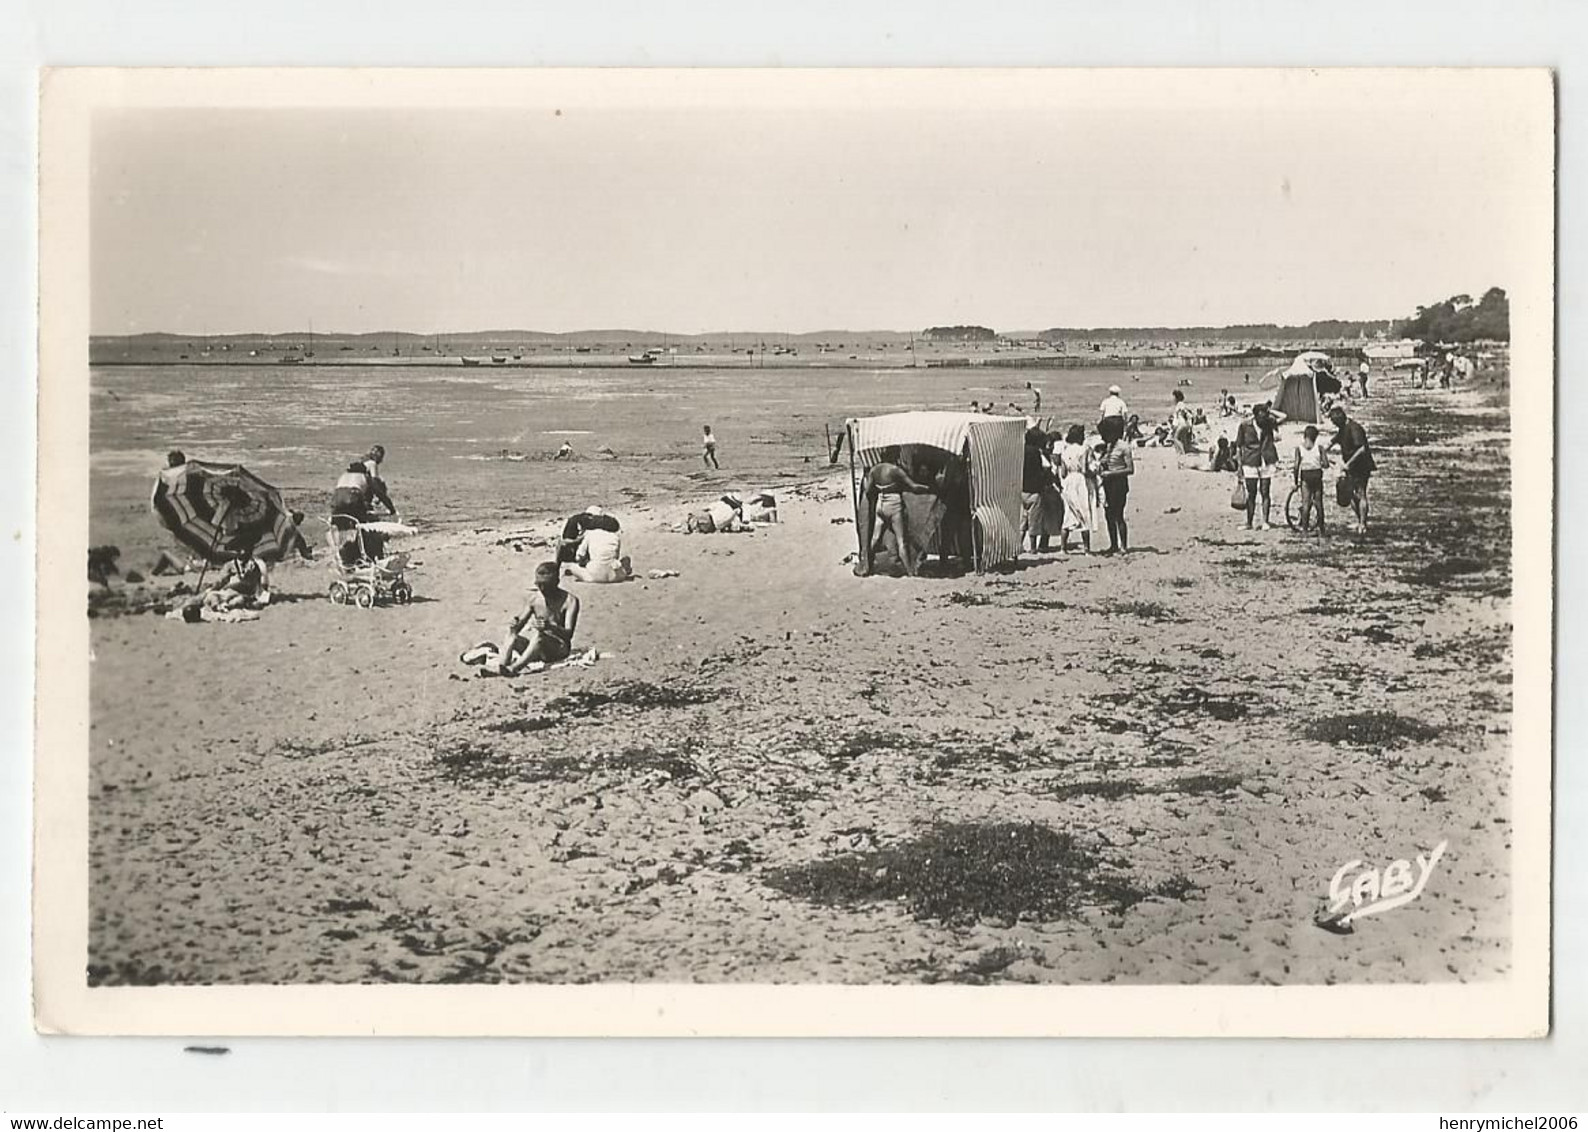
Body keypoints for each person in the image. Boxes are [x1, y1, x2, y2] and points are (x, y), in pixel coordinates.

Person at [485, 561, 581, 675]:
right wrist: (514, 625)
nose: (542, 588)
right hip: (538, 647)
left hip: (559, 648)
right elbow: (519, 625)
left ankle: (513, 669)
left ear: (556, 582)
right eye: (539, 584)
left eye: (545, 585)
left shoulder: (570, 601)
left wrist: (550, 626)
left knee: (540, 637)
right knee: (512, 635)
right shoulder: (534, 599)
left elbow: (568, 634)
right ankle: (501, 666)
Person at [857, 454, 937, 577]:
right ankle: (910, 571)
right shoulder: (895, 470)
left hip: (880, 505)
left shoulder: (875, 469)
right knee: (901, 541)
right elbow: (913, 487)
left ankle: (867, 563)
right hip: (894, 506)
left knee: (875, 538)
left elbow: (868, 490)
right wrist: (929, 488)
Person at [1235, 402, 1285, 530]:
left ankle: (1265, 521)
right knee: (1251, 493)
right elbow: (1239, 447)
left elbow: (1284, 416)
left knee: (1265, 491)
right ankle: (1249, 522)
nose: (1263, 419)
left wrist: (1270, 410)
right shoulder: (1245, 425)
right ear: (1255, 416)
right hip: (1250, 461)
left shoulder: (1269, 423)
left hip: (1266, 460)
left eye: (1265, 416)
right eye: (1261, 416)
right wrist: (1239, 466)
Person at [1328, 405, 1376, 533]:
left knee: (1361, 493)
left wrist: (1348, 464)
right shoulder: (1343, 428)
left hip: (1361, 465)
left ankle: (1363, 524)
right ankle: (1360, 520)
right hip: (1350, 466)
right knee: (1351, 494)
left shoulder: (1354, 428)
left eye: (1334, 422)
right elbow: (1332, 442)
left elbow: (1361, 449)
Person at [1096, 414, 1134, 554]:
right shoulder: (1108, 446)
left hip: (1118, 483)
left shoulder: (1124, 447)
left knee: (1118, 515)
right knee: (1108, 515)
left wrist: (1110, 473)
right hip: (1107, 483)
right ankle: (1113, 545)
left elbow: (1130, 469)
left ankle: (1123, 545)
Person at [1057, 424, 1096, 555]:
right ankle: (1087, 549)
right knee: (1084, 511)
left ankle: (1063, 548)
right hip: (1080, 480)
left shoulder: (1065, 451)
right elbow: (1085, 468)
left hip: (1068, 481)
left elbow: (1062, 472)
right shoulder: (1083, 449)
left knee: (1068, 512)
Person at [564, 518, 632, 583]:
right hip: (615, 577)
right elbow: (616, 557)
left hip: (594, 576)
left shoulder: (590, 534)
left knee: (572, 567)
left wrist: (583, 562)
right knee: (625, 559)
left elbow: (579, 555)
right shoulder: (616, 537)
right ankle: (625, 571)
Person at [1292, 424, 1330, 535]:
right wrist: (1320, 464)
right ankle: (1322, 529)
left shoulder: (1299, 449)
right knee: (1319, 504)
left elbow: (1296, 466)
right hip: (1317, 477)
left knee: (1305, 504)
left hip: (1305, 477)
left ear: (1304, 436)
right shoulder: (1319, 448)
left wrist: (1295, 482)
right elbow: (1326, 464)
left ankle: (1304, 530)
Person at [203, 551, 268, 611]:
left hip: (243, 593)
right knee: (212, 595)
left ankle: (226, 606)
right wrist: (212, 588)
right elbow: (221, 581)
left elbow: (258, 583)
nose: (243, 552)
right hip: (229, 590)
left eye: (246, 550)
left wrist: (252, 571)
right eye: (240, 550)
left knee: (239, 600)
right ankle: (217, 606)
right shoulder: (229, 565)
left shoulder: (254, 564)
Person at [1170, 389, 1194, 454]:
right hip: (1185, 424)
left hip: (1182, 424)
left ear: (1177, 397)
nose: (1173, 399)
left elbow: (1185, 411)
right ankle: (1183, 451)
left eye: (1174, 397)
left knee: (1175, 438)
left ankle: (1183, 452)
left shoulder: (1180, 404)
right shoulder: (1180, 404)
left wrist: (1187, 415)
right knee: (1182, 439)